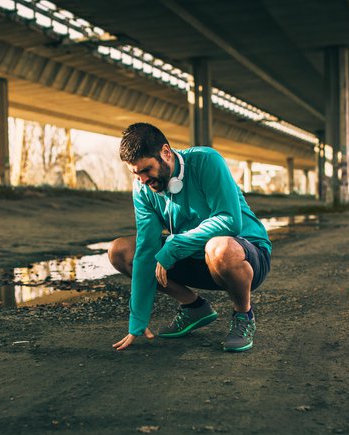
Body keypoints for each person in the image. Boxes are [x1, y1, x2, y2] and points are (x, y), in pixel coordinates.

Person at [108, 122, 271, 352]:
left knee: (219, 247)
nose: (143, 179)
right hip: (195, 258)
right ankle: (194, 307)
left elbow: (229, 220)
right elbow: (146, 248)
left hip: (244, 255)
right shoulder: (143, 188)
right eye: (136, 173)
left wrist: (174, 245)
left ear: (166, 152)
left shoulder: (206, 161)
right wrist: (138, 320)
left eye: (147, 170)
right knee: (121, 251)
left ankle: (243, 315)